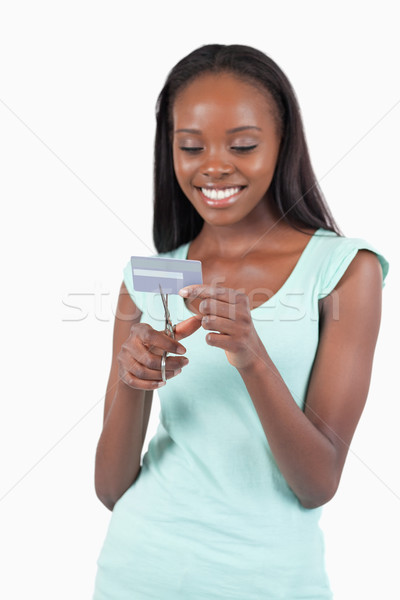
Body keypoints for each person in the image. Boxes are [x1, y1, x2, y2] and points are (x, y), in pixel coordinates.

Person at [92, 44, 389, 599]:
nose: (214, 166)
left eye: (244, 145)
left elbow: (317, 482)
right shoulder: (152, 277)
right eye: (190, 146)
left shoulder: (346, 269)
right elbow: (111, 488)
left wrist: (252, 356)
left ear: (282, 145)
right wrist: (135, 381)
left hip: (270, 582)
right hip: (138, 571)